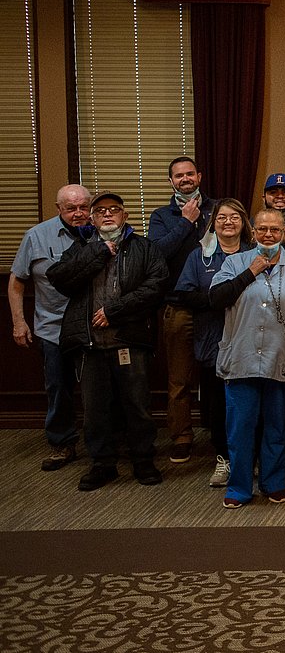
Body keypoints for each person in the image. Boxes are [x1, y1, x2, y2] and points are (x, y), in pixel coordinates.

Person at [210, 209, 285, 508]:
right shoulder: (235, 262)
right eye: (262, 229)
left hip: (281, 358)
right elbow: (216, 299)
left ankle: (273, 482)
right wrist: (250, 271)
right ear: (253, 232)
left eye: (274, 230)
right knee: (240, 429)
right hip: (240, 358)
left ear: (283, 232)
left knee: (276, 427)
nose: (268, 235)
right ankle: (239, 487)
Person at [49, 191, 169, 491]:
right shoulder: (81, 248)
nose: (107, 214)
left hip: (128, 338)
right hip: (89, 344)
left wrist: (114, 311)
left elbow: (156, 286)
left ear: (124, 216)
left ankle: (143, 459)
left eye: (114, 209)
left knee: (137, 404)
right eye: (100, 210)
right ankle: (103, 464)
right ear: (92, 217)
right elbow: (60, 279)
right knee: (95, 409)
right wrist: (100, 251)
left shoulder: (144, 247)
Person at [170, 198, 255, 489]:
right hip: (213, 340)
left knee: (249, 404)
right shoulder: (200, 257)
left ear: (244, 223)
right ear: (213, 223)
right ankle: (224, 458)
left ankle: (248, 457)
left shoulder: (256, 254)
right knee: (219, 406)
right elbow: (184, 294)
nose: (228, 222)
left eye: (234, 217)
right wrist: (219, 298)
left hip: (249, 340)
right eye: (222, 218)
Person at [10, 184, 91, 471]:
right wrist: (19, 322)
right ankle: (61, 444)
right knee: (58, 387)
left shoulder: (101, 233)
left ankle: (105, 442)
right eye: (71, 208)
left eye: (83, 207)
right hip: (51, 327)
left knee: (101, 388)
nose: (79, 213)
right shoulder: (36, 236)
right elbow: (18, 282)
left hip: (92, 325)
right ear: (59, 209)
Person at [149, 156, 218, 463]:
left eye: (190, 173)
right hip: (177, 306)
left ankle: (220, 432)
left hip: (217, 305)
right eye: (179, 176)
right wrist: (185, 222)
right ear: (171, 182)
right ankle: (181, 435)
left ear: (199, 176)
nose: (185, 179)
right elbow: (157, 253)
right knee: (180, 377)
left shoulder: (218, 208)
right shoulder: (162, 216)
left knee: (219, 373)